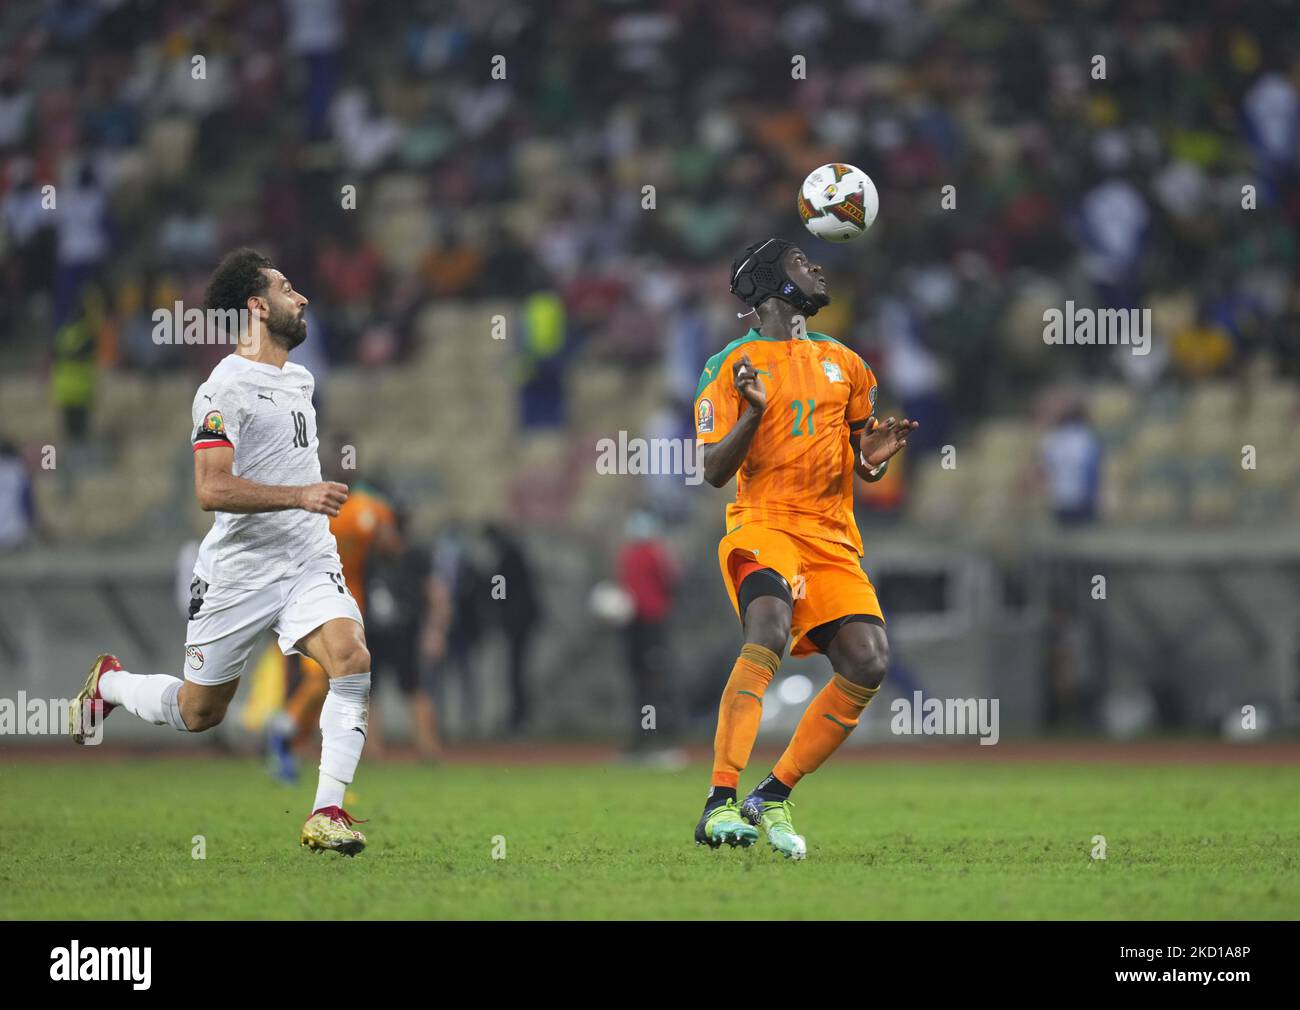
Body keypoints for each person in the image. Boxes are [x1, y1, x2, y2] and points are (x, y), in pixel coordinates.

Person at [68, 248, 374, 856]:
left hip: (308, 560)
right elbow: (211, 489)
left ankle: (326, 812)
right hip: (240, 572)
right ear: (258, 306)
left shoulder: (302, 379)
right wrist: (300, 494)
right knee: (199, 710)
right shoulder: (222, 388)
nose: (303, 297)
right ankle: (112, 684)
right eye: (288, 287)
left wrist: (303, 507)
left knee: (351, 658)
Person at [691, 237, 917, 859]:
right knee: (767, 629)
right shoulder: (729, 365)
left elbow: (856, 451)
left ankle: (773, 792)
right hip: (764, 523)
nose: (816, 267)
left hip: (832, 536)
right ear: (768, 282)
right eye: (798, 262)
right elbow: (712, 469)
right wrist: (752, 415)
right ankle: (719, 802)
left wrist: (869, 461)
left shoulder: (849, 363)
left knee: (868, 660)